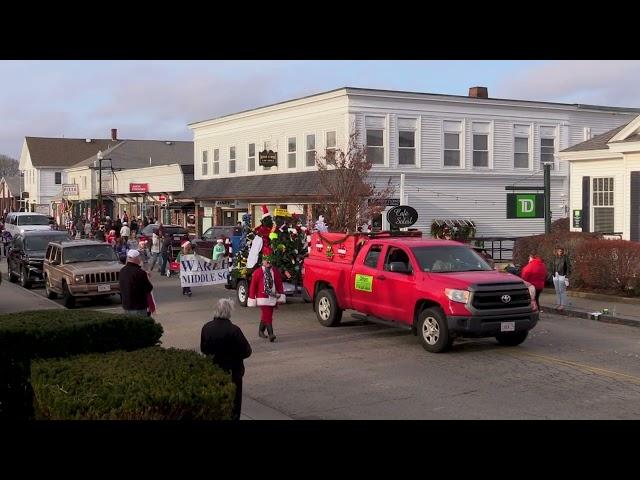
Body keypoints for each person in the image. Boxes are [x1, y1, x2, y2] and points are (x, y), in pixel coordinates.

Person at [200, 298, 252, 421]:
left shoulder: (206, 328)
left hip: (214, 369)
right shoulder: (234, 330)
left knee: (217, 400)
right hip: (233, 370)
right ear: (229, 312)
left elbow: (203, 348)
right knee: (234, 402)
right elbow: (247, 351)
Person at [248, 256, 284, 342]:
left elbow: (279, 283)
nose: (268, 262)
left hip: (273, 296)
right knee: (268, 315)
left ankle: (261, 331)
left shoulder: (275, 271)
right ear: (262, 262)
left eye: (269, 260)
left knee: (266, 315)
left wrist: (281, 294)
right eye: (266, 260)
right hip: (262, 297)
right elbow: (253, 286)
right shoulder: (258, 272)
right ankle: (271, 334)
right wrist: (252, 297)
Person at [119, 249, 154, 316]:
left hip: (126, 306)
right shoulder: (140, 272)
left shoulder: (122, 271)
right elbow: (149, 288)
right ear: (135, 259)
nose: (140, 259)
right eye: (139, 257)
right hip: (138, 306)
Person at [551, 246, 571, 311]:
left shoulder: (565, 258)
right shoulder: (554, 258)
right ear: (556, 251)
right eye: (559, 251)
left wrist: (567, 276)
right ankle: (558, 303)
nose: (560, 252)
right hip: (555, 275)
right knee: (557, 290)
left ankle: (562, 305)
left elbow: (568, 267)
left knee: (562, 290)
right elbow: (552, 265)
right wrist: (552, 272)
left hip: (562, 275)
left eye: (561, 251)